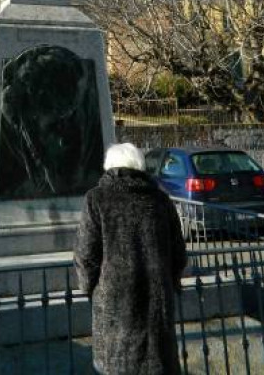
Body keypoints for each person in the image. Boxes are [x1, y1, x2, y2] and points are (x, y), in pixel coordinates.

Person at [74, 142, 187, 375]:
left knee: (117, 365)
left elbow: (86, 255)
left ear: (109, 167)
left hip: (115, 306)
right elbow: (179, 252)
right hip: (158, 306)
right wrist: (171, 282)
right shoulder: (160, 200)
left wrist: (90, 288)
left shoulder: (97, 199)